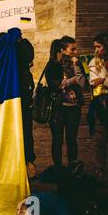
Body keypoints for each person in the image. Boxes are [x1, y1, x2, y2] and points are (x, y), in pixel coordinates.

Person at [46, 36, 86, 171]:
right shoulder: (53, 64)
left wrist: (76, 68)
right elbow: (54, 85)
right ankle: (58, 169)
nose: (75, 52)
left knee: (72, 140)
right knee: (57, 140)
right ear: (62, 50)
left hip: (74, 108)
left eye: (76, 48)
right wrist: (70, 81)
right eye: (72, 49)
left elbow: (81, 83)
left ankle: (72, 168)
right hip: (58, 108)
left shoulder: (76, 63)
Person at [88, 33, 108, 179]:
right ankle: (98, 168)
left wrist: (104, 80)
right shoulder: (94, 62)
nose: (96, 50)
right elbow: (93, 82)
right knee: (100, 137)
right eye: (95, 46)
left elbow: (100, 81)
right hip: (101, 104)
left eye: (99, 46)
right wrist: (102, 80)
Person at [16, 32, 36, 179]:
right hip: (10, 100)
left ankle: (29, 163)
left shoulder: (23, 45)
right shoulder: (2, 43)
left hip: (23, 100)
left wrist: (19, 41)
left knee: (26, 133)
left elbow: (28, 56)